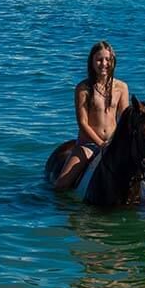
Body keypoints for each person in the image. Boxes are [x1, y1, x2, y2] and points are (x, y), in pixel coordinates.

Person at [53, 41, 129, 190]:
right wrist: (101, 144)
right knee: (61, 184)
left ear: (113, 61)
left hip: (113, 144)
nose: (104, 64)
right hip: (89, 145)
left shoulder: (122, 87)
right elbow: (82, 122)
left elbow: (125, 119)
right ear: (92, 62)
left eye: (108, 59)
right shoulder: (83, 88)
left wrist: (120, 143)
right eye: (99, 59)